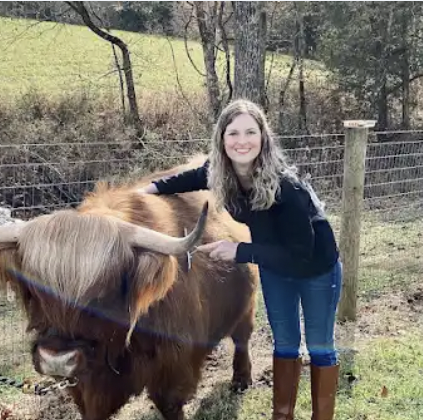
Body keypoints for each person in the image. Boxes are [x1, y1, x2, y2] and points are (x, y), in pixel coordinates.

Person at [137, 99, 342, 420]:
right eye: (233, 133)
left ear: (263, 137)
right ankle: (282, 416)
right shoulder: (223, 173)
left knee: (319, 346)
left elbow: (300, 254)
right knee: (285, 344)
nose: (241, 141)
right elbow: (190, 178)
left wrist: (240, 251)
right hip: (275, 266)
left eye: (250, 132)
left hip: (316, 268)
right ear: (222, 139)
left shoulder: (287, 188)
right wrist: (146, 191)